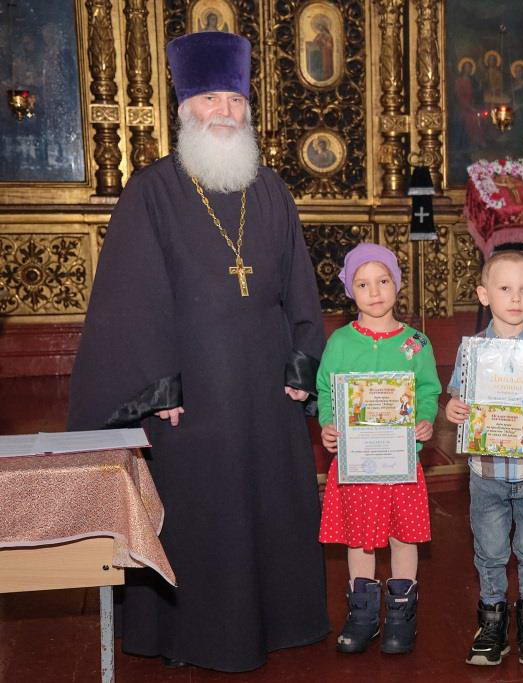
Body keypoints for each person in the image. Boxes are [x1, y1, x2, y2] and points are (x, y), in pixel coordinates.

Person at [66, 32, 328, 672]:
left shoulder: (271, 189)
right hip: (193, 391)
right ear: (185, 108)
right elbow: (132, 295)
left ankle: (278, 623)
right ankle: (197, 635)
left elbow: (299, 282)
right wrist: (158, 384)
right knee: (201, 516)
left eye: (235, 100)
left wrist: (303, 361)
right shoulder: (152, 191)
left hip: (266, 388)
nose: (224, 112)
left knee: (269, 506)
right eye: (211, 99)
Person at [317, 243, 441, 656]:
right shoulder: (339, 342)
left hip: (400, 463)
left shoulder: (416, 343)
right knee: (360, 540)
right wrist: (328, 424)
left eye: (383, 280)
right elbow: (326, 390)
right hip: (357, 465)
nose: (375, 292)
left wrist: (426, 419)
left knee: (403, 536)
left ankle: (402, 615)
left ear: (397, 284)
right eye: (363, 284)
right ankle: (363, 615)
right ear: (350, 291)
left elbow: (428, 390)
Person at [445, 250, 523, 666]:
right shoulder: (472, 351)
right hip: (486, 472)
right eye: (504, 288)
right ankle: (492, 620)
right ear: (484, 295)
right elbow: (457, 398)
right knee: (491, 550)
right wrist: (453, 410)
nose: (515, 298)